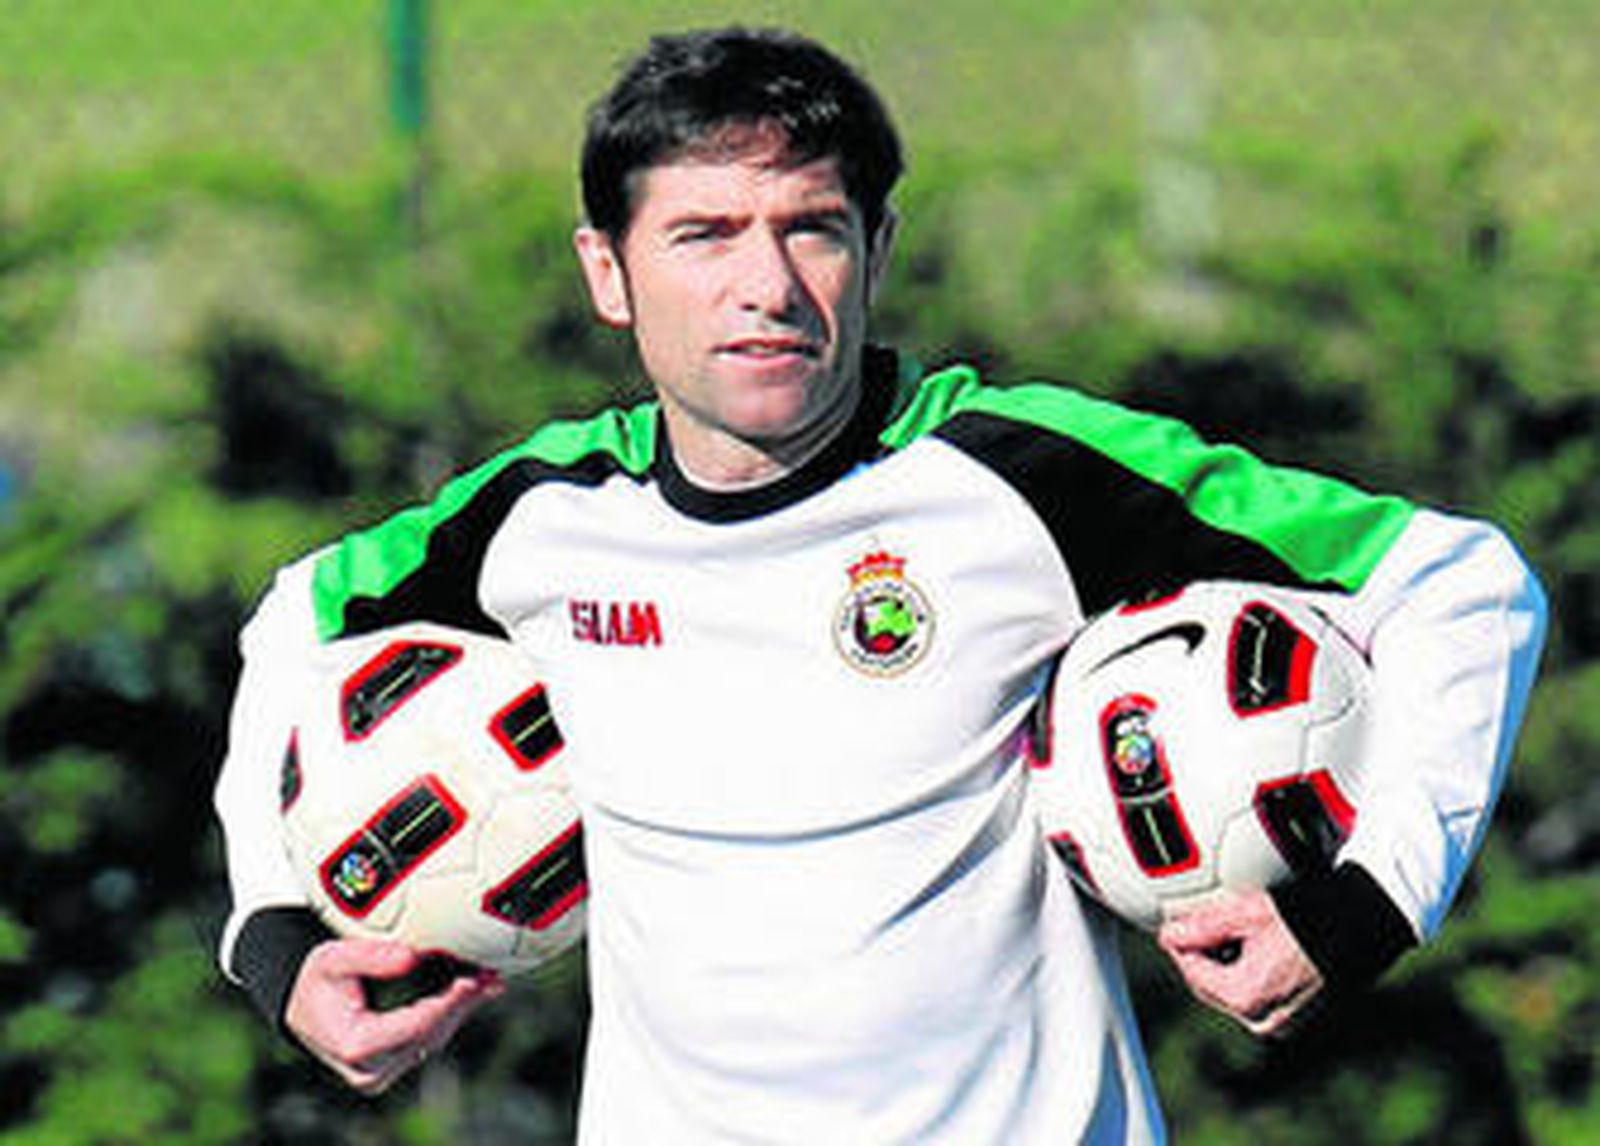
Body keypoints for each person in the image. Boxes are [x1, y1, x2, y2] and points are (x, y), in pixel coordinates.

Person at [213, 26, 1547, 1143]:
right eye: (704, 234)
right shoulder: (543, 519)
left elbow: (1459, 581)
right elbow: (294, 621)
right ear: (606, 273)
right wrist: (275, 938)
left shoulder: (1018, 476)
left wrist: (1366, 902)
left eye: (813, 229)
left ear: (879, 251)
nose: (766, 285)